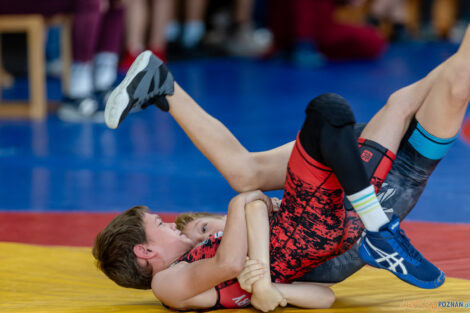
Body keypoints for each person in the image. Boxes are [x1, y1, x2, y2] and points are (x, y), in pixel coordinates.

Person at [94, 24, 470, 309]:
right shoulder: (185, 275)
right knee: (449, 84)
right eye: (159, 225)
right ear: (144, 252)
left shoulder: (209, 256)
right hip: (395, 176)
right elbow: (318, 292)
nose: (174, 224)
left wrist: (257, 259)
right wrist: (268, 284)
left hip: (346, 179)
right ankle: (164, 87)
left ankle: (378, 226)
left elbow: (250, 206)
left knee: (250, 175)